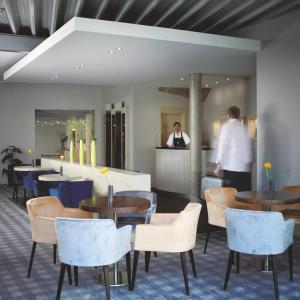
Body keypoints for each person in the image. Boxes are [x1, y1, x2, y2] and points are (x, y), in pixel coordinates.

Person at [215, 106, 252, 191]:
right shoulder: (245, 128)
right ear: (239, 115)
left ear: (228, 115)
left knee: (230, 198)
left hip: (231, 168)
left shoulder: (226, 127)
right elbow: (248, 149)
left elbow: (222, 147)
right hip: (244, 169)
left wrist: (218, 163)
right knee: (244, 197)